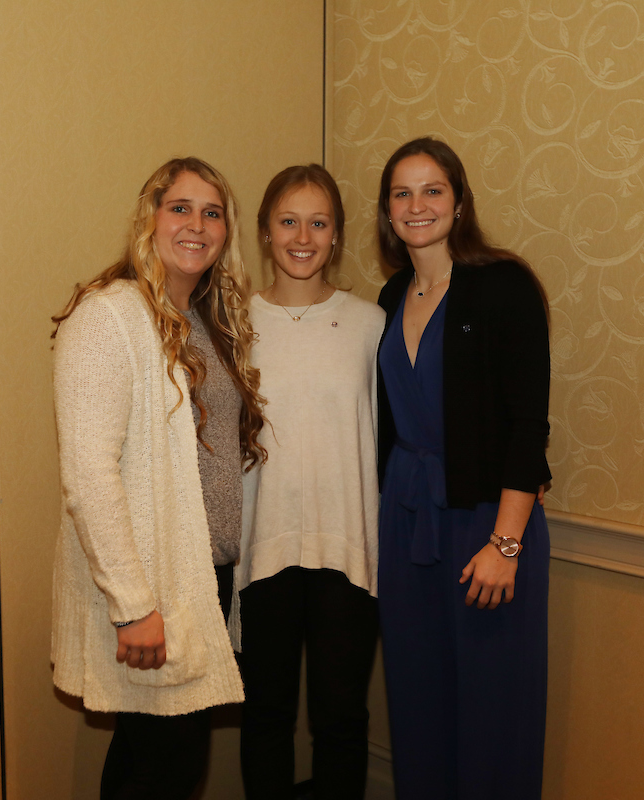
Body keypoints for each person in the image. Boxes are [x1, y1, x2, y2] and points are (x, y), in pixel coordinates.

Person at [50, 157, 267, 800]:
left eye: (212, 211)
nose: (196, 224)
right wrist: (134, 605)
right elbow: (88, 474)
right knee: (155, 767)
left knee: (175, 763)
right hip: (152, 587)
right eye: (180, 208)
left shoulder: (207, 319)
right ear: (150, 219)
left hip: (204, 577)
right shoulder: (110, 316)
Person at [374, 137, 552, 799]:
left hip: (487, 522)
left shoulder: (503, 286)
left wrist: (506, 544)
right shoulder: (391, 295)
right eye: (402, 192)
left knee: (493, 716)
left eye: (432, 190)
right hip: (406, 520)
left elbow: (527, 425)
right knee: (418, 709)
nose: (417, 205)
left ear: (459, 200)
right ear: (387, 211)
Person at [236, 164, 385, 799]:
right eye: (288, 221)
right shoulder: (232, 325)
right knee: (265, 718)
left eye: (318, 222)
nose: (303, 236)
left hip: (346, 555)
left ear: (337, 235)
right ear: (266, 233)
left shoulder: (370, 324)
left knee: (341, 721)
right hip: (259, 551)